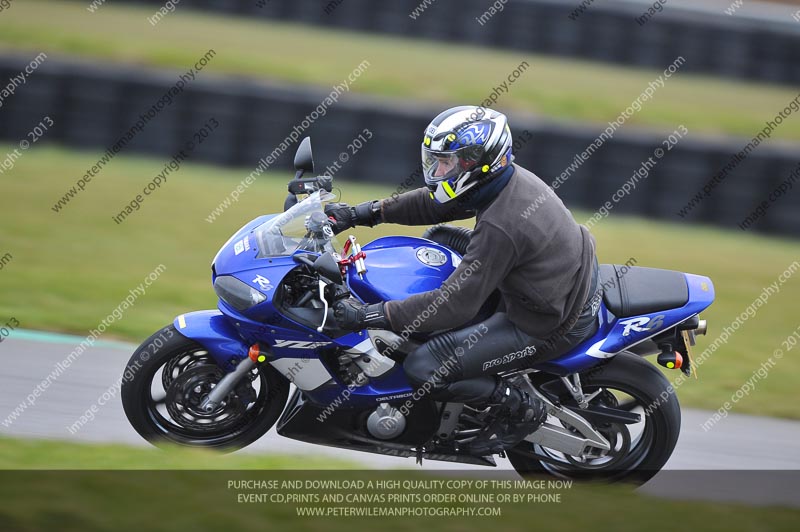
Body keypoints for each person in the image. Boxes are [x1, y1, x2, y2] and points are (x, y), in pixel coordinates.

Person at [325, 105, 601, 455]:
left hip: (546, 318)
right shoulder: (500, 181)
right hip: (545, 277)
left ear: (477, 161)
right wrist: (362, 213)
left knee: (424, 366)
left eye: (447, 162)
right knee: (439, 237)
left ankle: (519, 407)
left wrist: (368, 315)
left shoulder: (503, 224)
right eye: (436, 160)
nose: (438, 170)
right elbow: (435, 204)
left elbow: (454, 305)